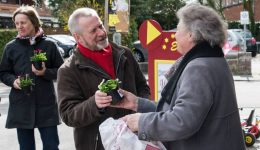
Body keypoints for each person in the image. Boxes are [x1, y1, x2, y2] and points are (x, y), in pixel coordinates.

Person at [97, 3, 246, 150]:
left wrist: (140, 122)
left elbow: (182, 121)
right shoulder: (212, 59)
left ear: (191, 35)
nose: (174, 34)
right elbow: (177, 110)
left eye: (178, 28)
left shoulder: (199, 68)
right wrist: (137, 103)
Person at [57, 7, 150, 150]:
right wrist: (94, 104)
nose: (101, 32)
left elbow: (143, 88)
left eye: (100, 26)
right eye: (93, 31)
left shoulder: (125, 54)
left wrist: (140, 113)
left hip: (135, 140)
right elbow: (68, 115)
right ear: (77, 37)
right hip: (97, 145)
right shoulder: (68, 70)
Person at [0, 6, 63, 150]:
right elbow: (3, 73)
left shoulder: (49, 45)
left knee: (51, 146)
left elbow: (62, 71)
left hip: (46, 105)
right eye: (17, 23)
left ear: (34, 22)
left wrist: (45, 73)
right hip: (21, 104)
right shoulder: (11, 47)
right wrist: (13, 81)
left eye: (23, 22)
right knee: (26, 147)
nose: (19, 26)